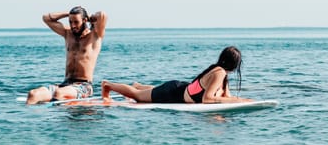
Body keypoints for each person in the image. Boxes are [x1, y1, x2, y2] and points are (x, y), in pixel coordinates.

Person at [101, 46, 253, 104]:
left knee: (144, 91)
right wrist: (240, 100)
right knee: (137, 96)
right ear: (234, 64)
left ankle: (139, 85)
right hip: (173, 92)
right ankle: (108, 85)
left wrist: (239, 100)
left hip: (179, 88)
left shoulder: (221, 74)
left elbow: (226, 97)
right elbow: (207, 99)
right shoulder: (219, 72)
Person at [26, 6, 107, 105]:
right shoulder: (68, 34)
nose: (73, 26)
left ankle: (60, 119)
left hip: (83, 86)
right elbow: (46, 18)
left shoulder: (95, 36)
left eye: (76, 22)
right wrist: (68, 14)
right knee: (33, 94)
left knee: (59, 93)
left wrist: (90, 17)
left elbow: (102, 15)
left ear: (85, 20)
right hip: (65, 84)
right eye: (70, 22)